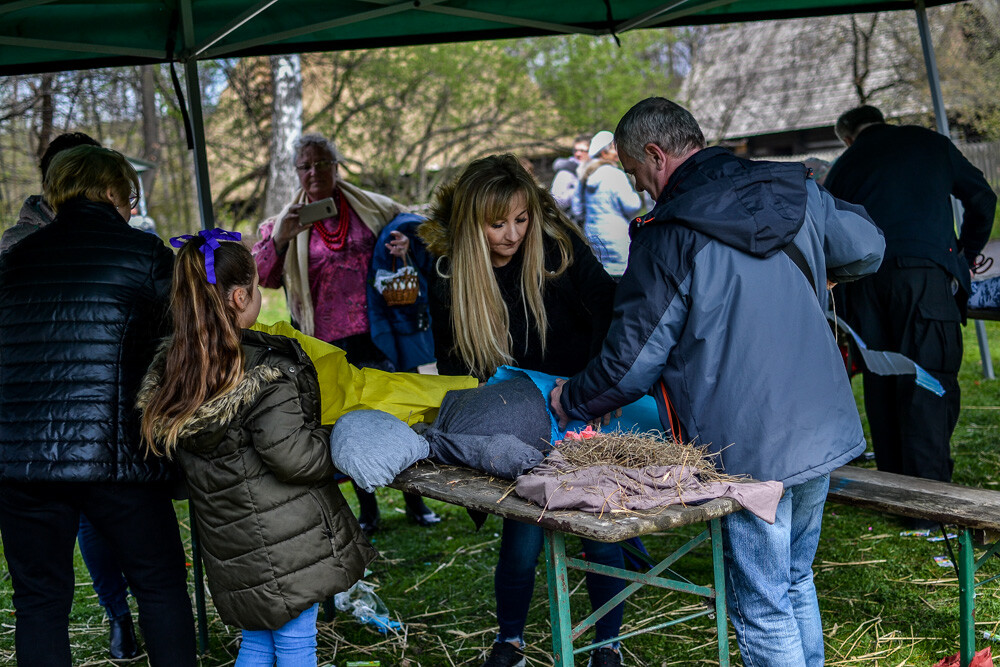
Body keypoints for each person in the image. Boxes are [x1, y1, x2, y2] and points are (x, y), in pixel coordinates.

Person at [549, 97, 885, 667]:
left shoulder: (668, 233)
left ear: (656, 155)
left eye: (636, 174)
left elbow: (633, 361)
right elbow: (870, 246)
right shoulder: (793, 189)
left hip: (751, 442)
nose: (641, 190)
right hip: (820, 420)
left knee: (762, 604)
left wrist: (571, 397)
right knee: (796, 578)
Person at [419, 154, 625, 667]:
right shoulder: (448, 272)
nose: (512, 235)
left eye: (521, 219)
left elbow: (612, 311)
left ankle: (607, 645)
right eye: (496, 224)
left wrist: (594, 391)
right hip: (519, 414)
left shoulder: (557, 249)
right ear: (471, 223)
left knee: (596, 527)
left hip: (582, 403)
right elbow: (453, 365)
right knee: (521, 534)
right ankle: (509, 641)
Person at [138, 232, 377, 667]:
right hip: (288, 545)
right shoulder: (264, 375)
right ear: (241, 296)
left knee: (258, 641)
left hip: (232, 544)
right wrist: (335, 440)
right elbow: (294, 456)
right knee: (295, 642)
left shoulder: (178, 373)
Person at [0, 144, 196, 666]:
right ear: (111, 191)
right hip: (119, 456)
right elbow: (179, 344)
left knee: (38, 603)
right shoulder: (145, 253)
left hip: (22, 462)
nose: (131, 206)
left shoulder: (12, 261)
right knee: (158, 585)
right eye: (128, 196)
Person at [253, 133, 439, 534]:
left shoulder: (370, 208)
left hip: (378, 330)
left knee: (398, 412)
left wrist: (403, 243)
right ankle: (368, 506)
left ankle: (416, 499)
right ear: (297, 172)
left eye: (322, 163)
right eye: (305, 165)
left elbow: (411, 229)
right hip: (325, 339)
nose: (314, 172)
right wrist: (282, 238)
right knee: (346, 422)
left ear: (336, 166)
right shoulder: (284, 222)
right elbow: (264, 278)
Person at [0, 130, 140, 660]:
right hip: (40, 431)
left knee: (109, 539)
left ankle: (125, 618)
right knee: (45, 588)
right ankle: (119, 615)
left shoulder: (118, 236)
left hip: (104, 418)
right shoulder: (18, 246)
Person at [824, 105, 996, 491]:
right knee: (928, 375)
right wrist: (965, 254)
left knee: (882, 376)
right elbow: (982, 199)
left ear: (848, 137)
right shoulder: (930, 143)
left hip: (864, 281)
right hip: (923, 275)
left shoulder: (845, 164)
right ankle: (928, 502)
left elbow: (828, 228)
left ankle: (895, 488)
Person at [571, 130, 643, 277]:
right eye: (613, 148)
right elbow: (632, 205)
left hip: (593, 235)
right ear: (604, 153)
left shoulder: (585, 175)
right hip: (618, 236)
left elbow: (576, 209)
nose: (617, 152)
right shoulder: (615, 174)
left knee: (601, 276)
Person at [549, 134, 590, 224]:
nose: (578, 154)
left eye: (583, 151)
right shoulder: (565, 173)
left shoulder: (591, 171)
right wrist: (578, 190)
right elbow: (556, 202)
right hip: (571, 225)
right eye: (576, 150)